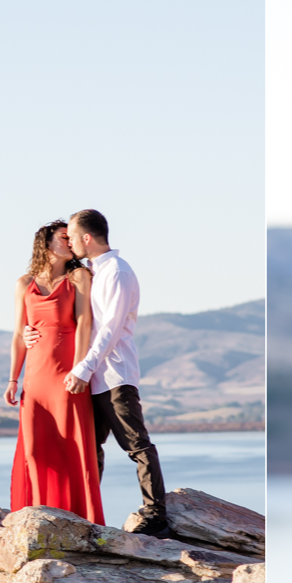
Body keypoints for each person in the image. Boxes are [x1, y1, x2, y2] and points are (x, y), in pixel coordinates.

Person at [26, 209, 170, 536]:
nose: (71, 243)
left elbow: (110, 330)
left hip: (115, 376)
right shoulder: (93, 272)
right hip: (93, 379)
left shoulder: (117, 272)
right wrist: (27, 332)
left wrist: (82, 367)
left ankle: (156, 514)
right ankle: (85, 518)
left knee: (137, 446)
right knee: (90, 451)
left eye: (73, 237)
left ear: (86, 238)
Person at [4, 219, 104, 524]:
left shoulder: (79, 276)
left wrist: (79, 370)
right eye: (64, 238)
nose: (70, 243)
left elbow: (84, 322)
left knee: (71, 449)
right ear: (46, 243)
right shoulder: (25, 283)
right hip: (35, 377)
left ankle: (79, 520)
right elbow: (20, 334)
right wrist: (13, 378)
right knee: (35, 451)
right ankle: (38, 516)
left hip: (67, 373)